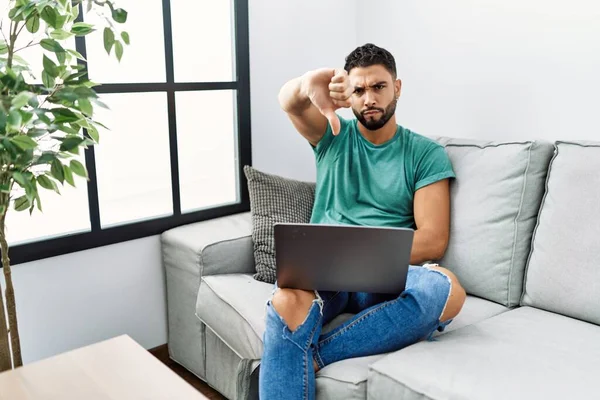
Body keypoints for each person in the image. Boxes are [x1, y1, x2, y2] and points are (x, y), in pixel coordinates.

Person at [259, 43, 467, 400]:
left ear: (396, 88)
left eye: (378, 87)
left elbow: (433, 241)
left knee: (445, 288)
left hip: (383, 279)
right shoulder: (331, 136)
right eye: (359, 90)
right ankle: (304, 351)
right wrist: (309, 82)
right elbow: (288, 101)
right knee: (284, 301)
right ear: (348, 97)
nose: (369, 98)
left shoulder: (425, 154)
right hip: (325, 273)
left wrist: (360, 254)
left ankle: (316, 354)